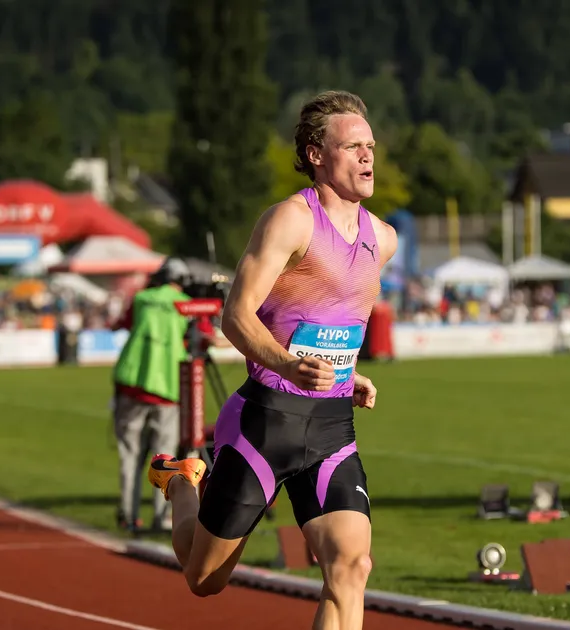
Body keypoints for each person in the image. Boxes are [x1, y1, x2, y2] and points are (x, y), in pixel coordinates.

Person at [147, 90, 397, 630]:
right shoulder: (291, 220)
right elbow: (235, 316)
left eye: (370, 146)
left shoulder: (384, 239)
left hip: (332, 428)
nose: (366, 157)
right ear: (315, 154)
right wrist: (286, 366)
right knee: (203, 578)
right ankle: (183, 480)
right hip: (264, 422)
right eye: (352, 146)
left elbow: (333, 328)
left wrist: (350, 375)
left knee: (351, 567)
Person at [110, 257, 229, 535]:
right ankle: (162, 517)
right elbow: (208, 337)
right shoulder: (187, 304)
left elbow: (121, 324)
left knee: (129, 455)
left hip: (132, 382)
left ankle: (128, 516)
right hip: (168, 387)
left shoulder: (142, 299)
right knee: (163, 456)